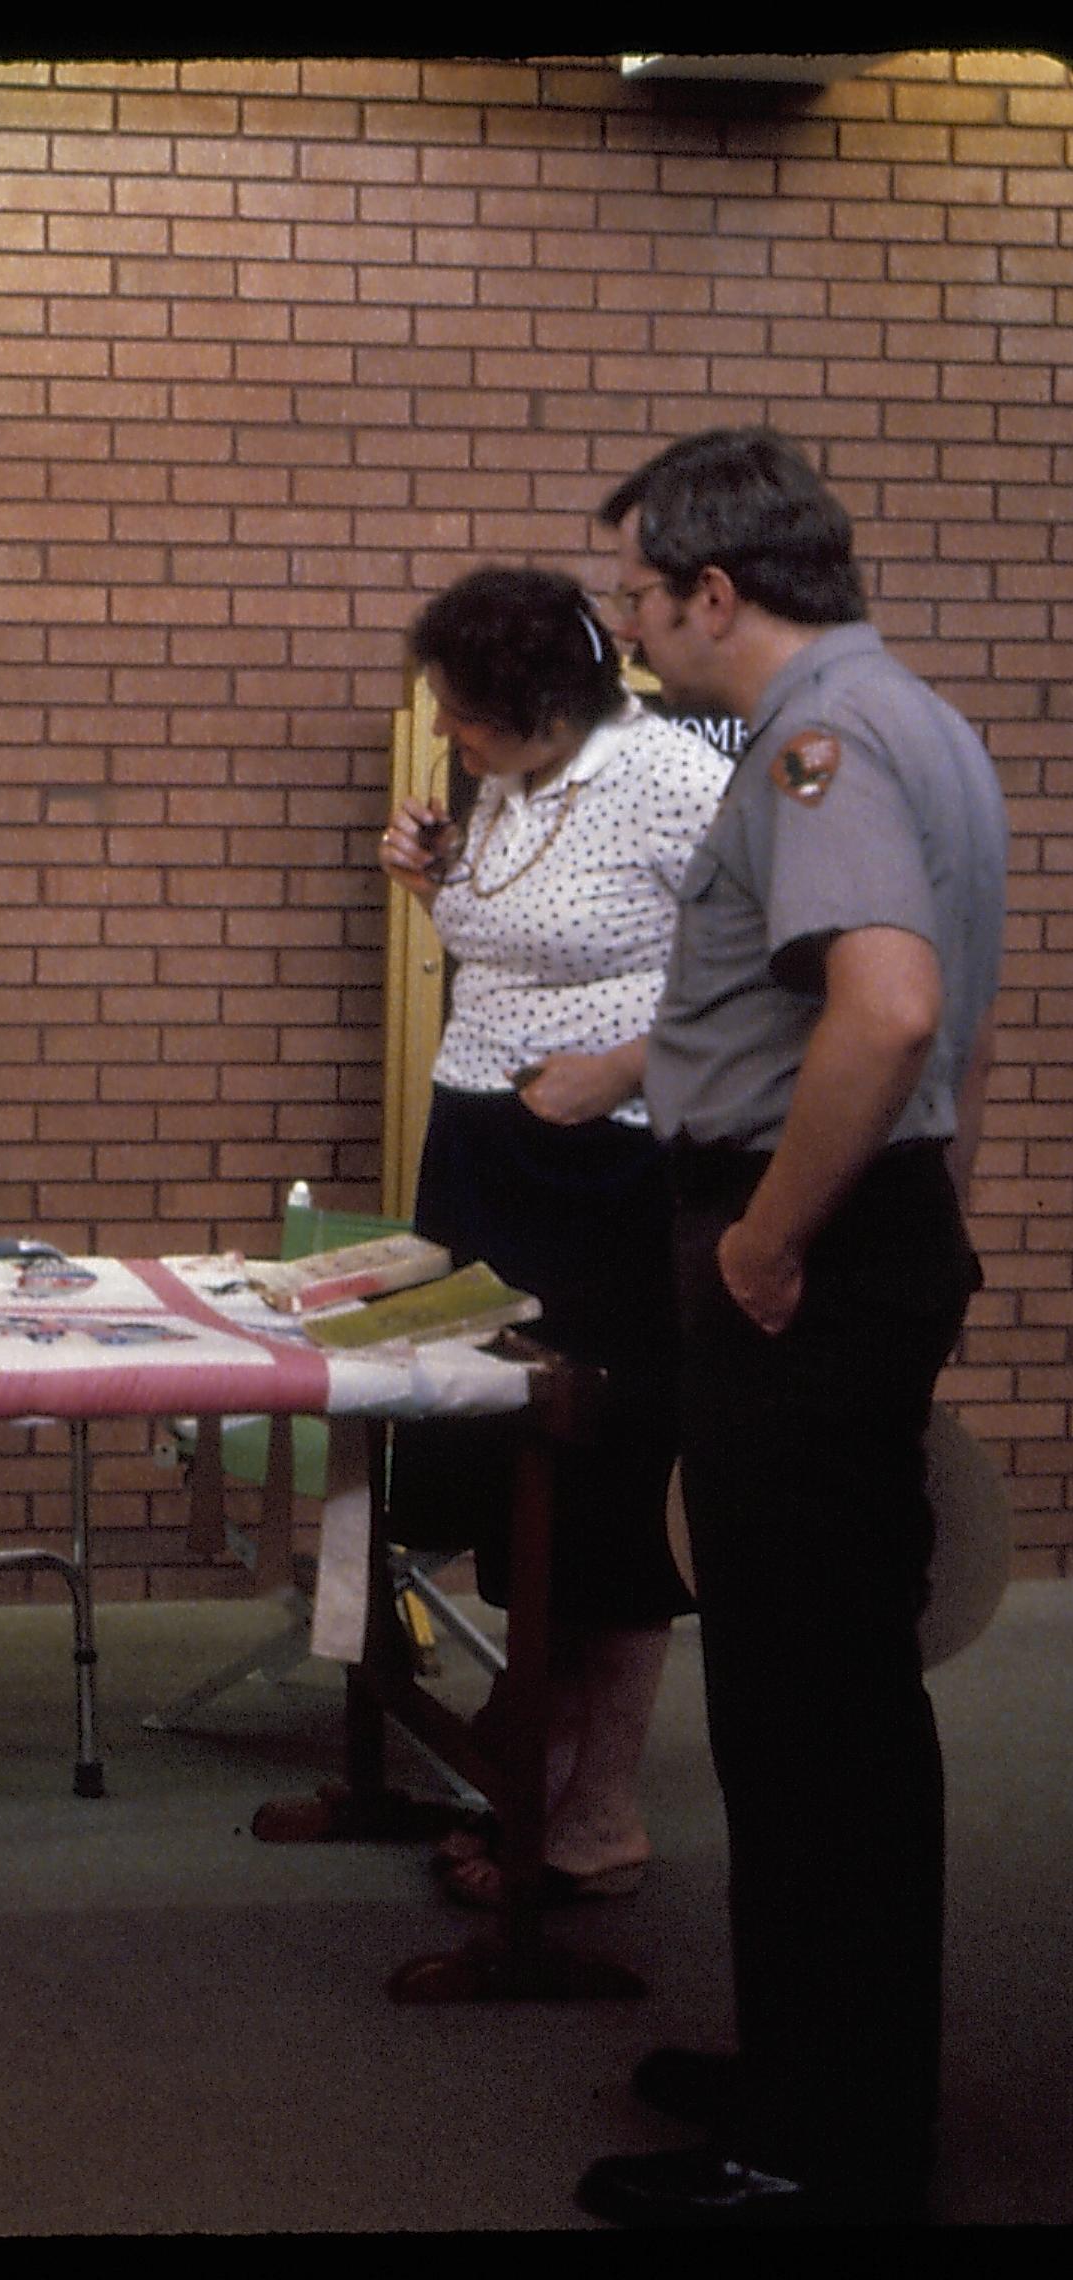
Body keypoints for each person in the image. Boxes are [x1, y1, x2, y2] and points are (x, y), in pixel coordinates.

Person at [574, 429, 1004, 2229]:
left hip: (808, 1266)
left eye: (638, 604)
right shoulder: (908, 716)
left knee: (806, 1712)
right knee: (827, 1700)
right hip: (862, 1245)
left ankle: (818, 2154)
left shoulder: (818, 743)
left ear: (715, 591)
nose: (633, 639)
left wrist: (763, 1240)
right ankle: (818, 2075)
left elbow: (885, 1014)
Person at [374, 565, 731, 1914]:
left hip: (612, 1163)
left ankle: (600, 1810)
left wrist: (622, 1067)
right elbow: (515, 941)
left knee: (604, 1479)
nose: (454, 739)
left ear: (545, 698)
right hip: (490, 1150)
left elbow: (768, 978)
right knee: (502, 1469)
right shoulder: (519, 781)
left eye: (469, 717)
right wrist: (435, 877)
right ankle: (542, 1765)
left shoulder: (675, 782)